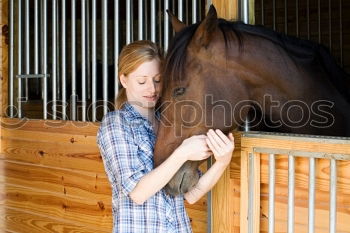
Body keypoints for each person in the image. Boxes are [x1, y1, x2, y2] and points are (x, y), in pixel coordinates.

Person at [96, 40, 235, 233]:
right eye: (142, 81)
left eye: (158, 80)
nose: (152, 89)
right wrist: (183, 152)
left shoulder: (170, 123)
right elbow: (138, 193)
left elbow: (191, 194)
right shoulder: (116, 125)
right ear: (124, 80)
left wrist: (222, 161)